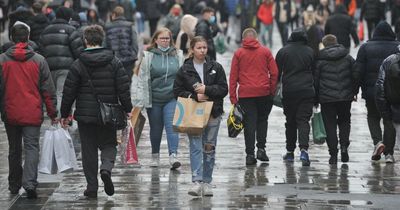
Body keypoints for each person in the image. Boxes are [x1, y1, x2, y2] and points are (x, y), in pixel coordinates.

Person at [60, 25, 133, 198]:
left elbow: (69, 91)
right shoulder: (114, 62)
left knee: (89, 150)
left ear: (85, 40)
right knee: (109, 144)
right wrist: (128, 109)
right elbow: (123, 88)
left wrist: (65, 114)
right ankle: (106, 168)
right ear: (102, 39)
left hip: (85, 115)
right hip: (109, 114)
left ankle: (91, 187)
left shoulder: (78, 63)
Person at [0, 22, 57, 198]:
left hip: (10, 112)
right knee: (32, 147)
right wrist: (53, 112)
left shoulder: (2, 60)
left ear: (11, 38)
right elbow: (48, 90)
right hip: (32, 112)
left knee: (14, 149)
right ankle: (30, 183)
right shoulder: (39, 60)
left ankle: (14, 183)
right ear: (28, 38)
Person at [173, 36, 228, 196]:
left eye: (204, 47)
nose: (203, 50)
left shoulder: (215, 67)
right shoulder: (185, 69)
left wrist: (207, 90)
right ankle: (196, 181)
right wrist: (193, 96)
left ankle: (207, 181)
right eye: (199, 48)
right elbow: (176, 91)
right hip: (193, 112)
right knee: (196, 146)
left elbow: (223, 89)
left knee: (209, 147)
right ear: (192, 49)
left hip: (213, 112)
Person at [131, 27, 185, 169]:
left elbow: (184, 76)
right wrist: (138, 102)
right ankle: (155, 155)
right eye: (162, 38)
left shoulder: (178, 55)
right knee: (156, 129)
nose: (165, 41)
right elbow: (141, 79)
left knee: (172, 126)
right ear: (155, 40)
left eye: (167, 38)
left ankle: (173, 156)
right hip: (154, 99)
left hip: (171, 98)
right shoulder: (148, 56)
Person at [229, 28, 278, 166]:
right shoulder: (265, 52)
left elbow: (233, 76)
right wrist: (271, 90)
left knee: (249, 124)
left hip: (246, 94)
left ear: (243, 39)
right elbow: (274, 72)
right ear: (256, 38)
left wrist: (233, 98)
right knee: (262, 120)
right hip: (264, 93)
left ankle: (250, 154)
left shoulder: (239, 53)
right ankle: (261, 149)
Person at [355, 21, 399, 163]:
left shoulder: (366, 48)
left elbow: (358, 71)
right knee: (389, 120)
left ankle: (378, 141)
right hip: (392, 92)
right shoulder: (395, 47)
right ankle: (389, 154)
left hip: (371, 91)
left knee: (373, 117)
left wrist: (354, 90)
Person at [276, 28, 315, 166]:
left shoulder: (283, 51)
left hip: (289, 91)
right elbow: (315, 72)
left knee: (290, 122)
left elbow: (277, 73)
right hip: (306, 91)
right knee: (303, 121)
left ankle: (290, 152)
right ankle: (304, 150)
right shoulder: (310, 51)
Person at [315, 34, 356, 165]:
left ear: (324, 45)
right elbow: (355, 74)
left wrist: (316, 98)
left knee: (330, 125)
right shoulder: (348, 57)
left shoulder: (320, 60)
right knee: (344, 121)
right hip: (345, 97)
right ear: (336, 42)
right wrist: (354, 91)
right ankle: (344, 147)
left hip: (327, 98)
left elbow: (315, 81)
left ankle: (333, 153)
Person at [39, 6, 79, 112]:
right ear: (68, 17)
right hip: (66, 68)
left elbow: (41, 49)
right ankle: (61, 121)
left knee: (52, 95)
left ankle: (55, 120)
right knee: (61, 94)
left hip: (49, 67)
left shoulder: (46, 30)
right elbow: (77, 50)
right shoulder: (71, 30)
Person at [375, 47, 400, 160]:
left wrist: (383, 106)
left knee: (389, 124)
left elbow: (381, 83)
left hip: (393, 103)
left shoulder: (389, 60)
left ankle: (388, 153)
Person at [105, 6, 138, 80]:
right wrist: (133, 56)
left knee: (115, 83)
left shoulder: (108, 27)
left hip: (113, 60)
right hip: (128, 60)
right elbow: (135, 43)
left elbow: (105, 44)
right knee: (128, 82)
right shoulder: (130, 26)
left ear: (114, 14)